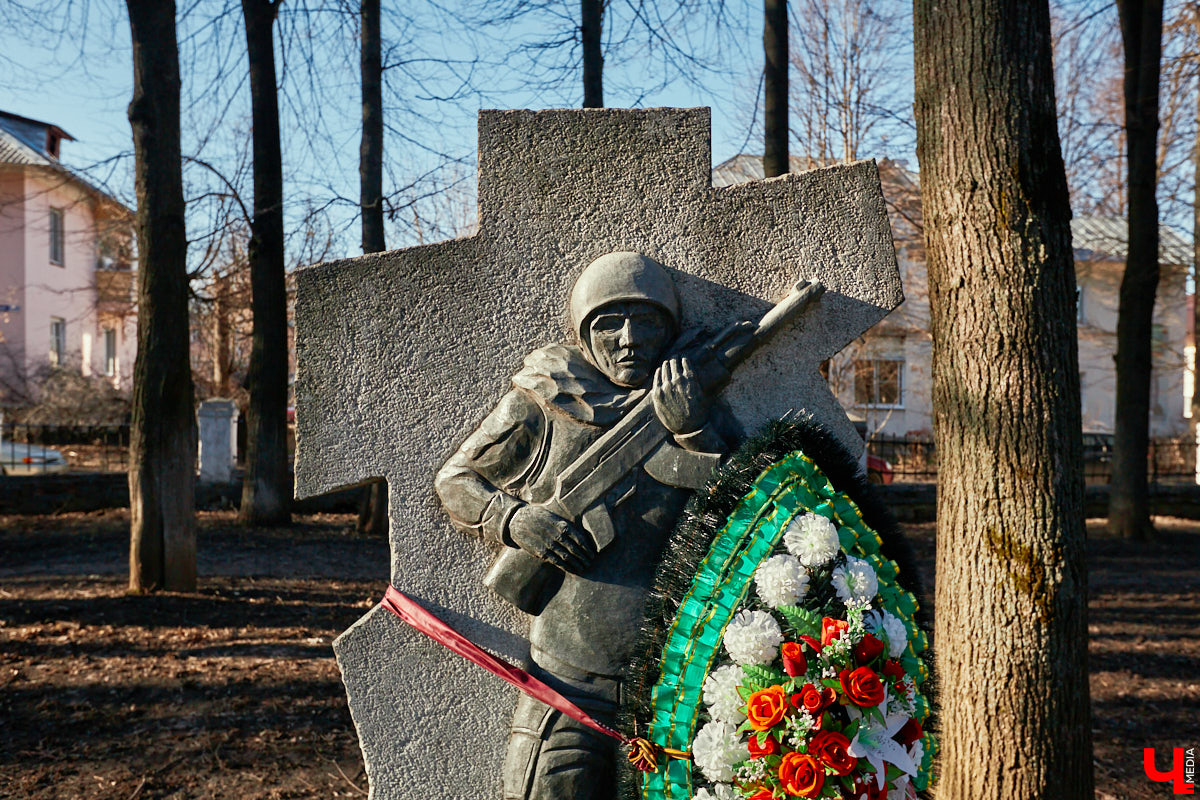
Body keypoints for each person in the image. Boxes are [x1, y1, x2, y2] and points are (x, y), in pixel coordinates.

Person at [434, 251, 740, 800]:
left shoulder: (689, 400)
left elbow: (745, 511)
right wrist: (516, 519)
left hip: (674, 684)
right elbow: (456, 480)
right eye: (608, 323)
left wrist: (695, 433)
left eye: (647, 321)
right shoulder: (542, 399)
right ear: (582, 329)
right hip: (566, 681)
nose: (629, 339)